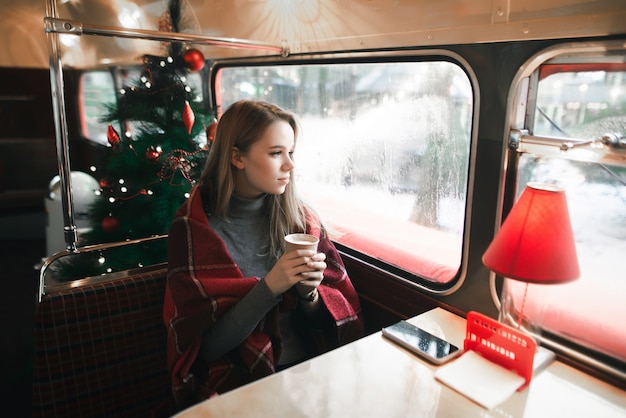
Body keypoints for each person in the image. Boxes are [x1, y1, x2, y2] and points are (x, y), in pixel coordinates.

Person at [163, 100, 364, 409]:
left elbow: (325, 321)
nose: (290, 165)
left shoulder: (300, 219)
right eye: (275, 153)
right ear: (237, 157)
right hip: (242, 379)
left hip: (311, 370)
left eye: (291, 152)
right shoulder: (195, 228)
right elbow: (204, 351)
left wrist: (309, 295)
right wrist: (271, 287)